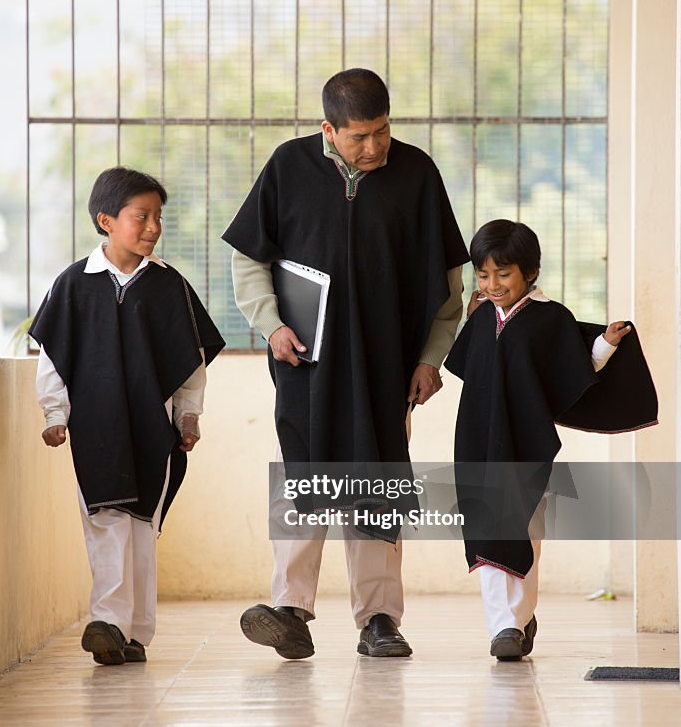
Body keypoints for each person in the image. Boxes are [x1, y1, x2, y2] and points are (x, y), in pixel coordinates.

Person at [223, 68, 469, 659]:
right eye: (359, 135)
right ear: (327, 129)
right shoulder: (287, 168)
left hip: (387, 371)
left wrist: (432, 360)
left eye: (383, 130)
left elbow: (448, 288)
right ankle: (290, 611)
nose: (375, 146)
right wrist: (272, 325)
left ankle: (380, 619)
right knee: (304, 476)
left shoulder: (417, 174)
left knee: (378, 479)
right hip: (306, 362)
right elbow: (250, 262)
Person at [30, 167, 225, 666]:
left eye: (158, 217)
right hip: (93, 427)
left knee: (141, 522)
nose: (153, 227)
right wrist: (55, 412)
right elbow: (54, 357)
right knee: (104, 518)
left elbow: (190, 362)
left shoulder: (167, 285)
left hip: (151, 425)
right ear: (106, 220)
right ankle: (110, 624)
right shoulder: (73, 284)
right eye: (141, 217)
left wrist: (188, 416)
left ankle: (133, 631)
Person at [444, 219, 657, 661]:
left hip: (526, 443)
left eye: (503, 274)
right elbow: (468, 364)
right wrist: (472, 315)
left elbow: (571, 369)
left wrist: (604, 345)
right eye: (483, 275)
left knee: (522, 528)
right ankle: (503, 626)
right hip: (476, 441)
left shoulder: (550, 318)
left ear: (530, 272)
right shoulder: (482, 316)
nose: (493, 284)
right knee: (484, 527)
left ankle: (517, 621)